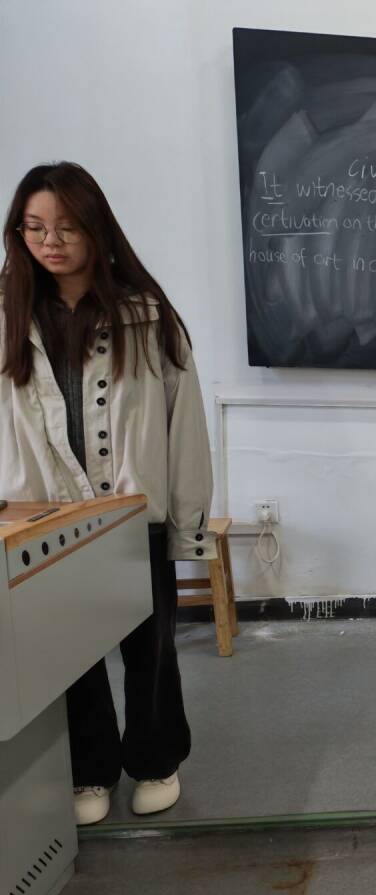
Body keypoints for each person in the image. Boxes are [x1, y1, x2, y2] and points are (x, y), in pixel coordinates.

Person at [0, 162, 213, 825]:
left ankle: (155, 759)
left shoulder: (145, 315)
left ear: (97, 228)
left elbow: (185, 427)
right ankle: (88, 770)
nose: (50, 241)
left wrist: (187, 528)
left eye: (66, 226)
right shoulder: (8, 315)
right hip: (45, 520)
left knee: (151, 650)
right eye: (34, 227)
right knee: (68, 656)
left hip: (131, 517)